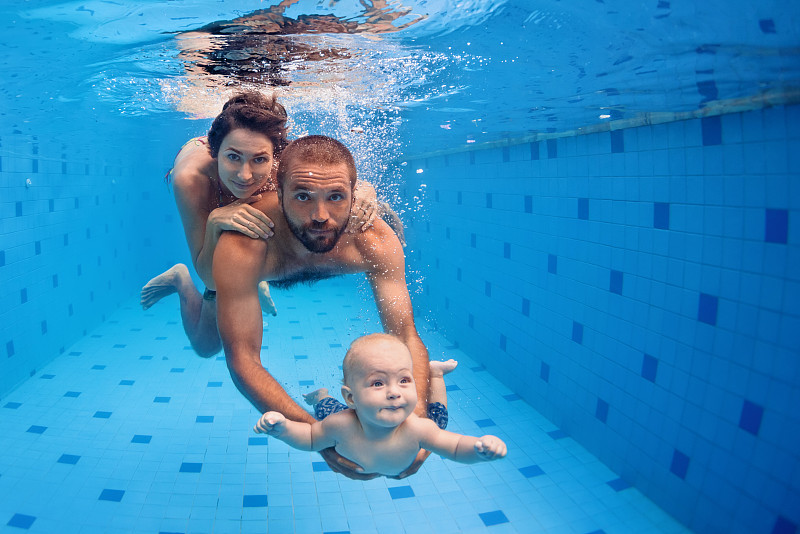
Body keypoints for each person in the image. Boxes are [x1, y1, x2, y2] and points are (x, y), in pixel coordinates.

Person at [212, 135, 428, 478]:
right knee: (204, 340)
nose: (320, 215)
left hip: (335, 237)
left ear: (353, 197)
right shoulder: (245, 244)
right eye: (302, 197)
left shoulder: (374, 240)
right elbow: (242, 359)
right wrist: (320, 438)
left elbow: (405, 335)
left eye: (337, 197)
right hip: (263, 260)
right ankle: (181, 283)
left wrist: (419, 426)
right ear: (278, 193)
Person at [140, 92, 380, 357]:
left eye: (259, 160)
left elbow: (334, 178)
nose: (245, 175)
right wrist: (213, 224)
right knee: (206, 346)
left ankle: (256, 278)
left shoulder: (282, 165)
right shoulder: (190, 180)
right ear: (216, 152)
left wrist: (364, 190)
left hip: (249, 162)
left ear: (274, 157)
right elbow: (210, 278)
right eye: (233, 158)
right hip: (211, 190)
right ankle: (180, 279)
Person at [254, 334, 507, 477]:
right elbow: (309, 438)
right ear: (351, 398)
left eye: (404, 380)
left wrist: (478, 449)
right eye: (378, 383)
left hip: (400, 428)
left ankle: (436, 374)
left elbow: (454, 447)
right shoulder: (340, 425)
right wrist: (283, 428)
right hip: (354, 417)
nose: (394, 393)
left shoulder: (420, 429)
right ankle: (320, 395)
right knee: (325, 410)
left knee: (439, 418)